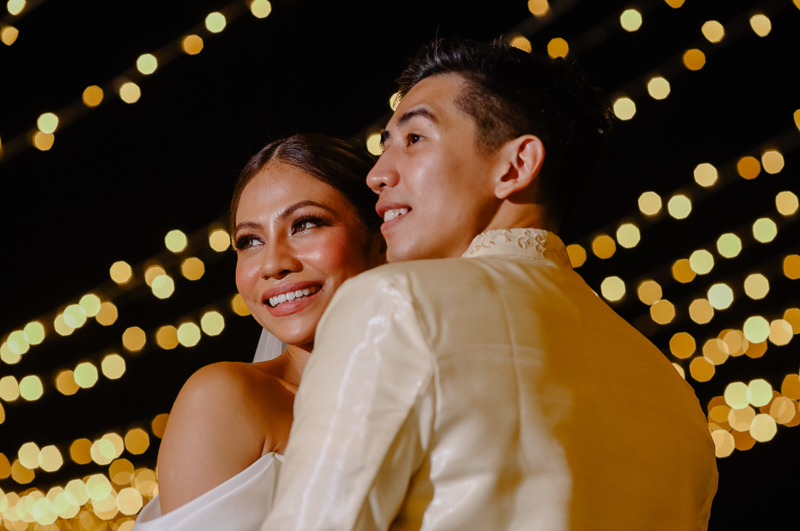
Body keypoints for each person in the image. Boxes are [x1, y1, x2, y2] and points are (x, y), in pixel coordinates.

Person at [262, 39, 718, 530]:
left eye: (414, 138)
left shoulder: (394, 303)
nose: (377, 174)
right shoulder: (675, 395)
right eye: (385, 145)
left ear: (515, 166)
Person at [133, 134, 385, 530]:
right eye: (250, 241)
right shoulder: (225, 400)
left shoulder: (446, 384)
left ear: (380, 238)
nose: (272, 264)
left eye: (305, 224)